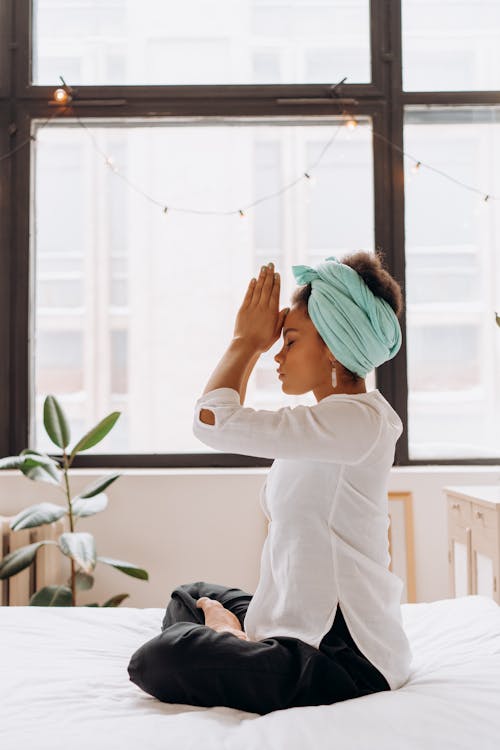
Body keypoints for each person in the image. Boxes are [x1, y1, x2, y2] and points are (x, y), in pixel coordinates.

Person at [127, 252, 413, 715]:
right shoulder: (325, 424)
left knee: (157, 660)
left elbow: (213, 421)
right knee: (191, 593)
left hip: (344, 657)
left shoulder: (360, 421)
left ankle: (227, 638)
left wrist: (245, 342)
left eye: (291, 340)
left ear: (334, 347)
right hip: (290, 625)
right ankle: (237, 640)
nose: (277, 355)